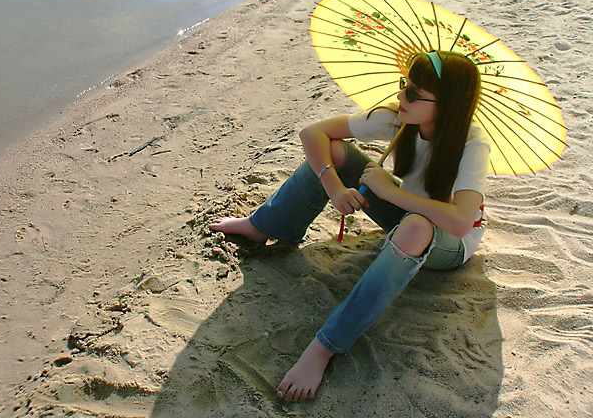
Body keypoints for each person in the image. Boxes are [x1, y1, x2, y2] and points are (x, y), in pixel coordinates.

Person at [210, 50, 490, 402]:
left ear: (448, 104)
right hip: (406, 214)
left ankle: (324, 347)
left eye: (414, 94)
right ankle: (261, 225)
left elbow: (461, 221)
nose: (402, 96)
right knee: (337, 155)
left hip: (447, 242)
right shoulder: (398, 117)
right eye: (404, 85)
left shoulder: (472, 143)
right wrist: (335, 187)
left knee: (416, 226)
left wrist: (389, 192)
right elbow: (313, 133)